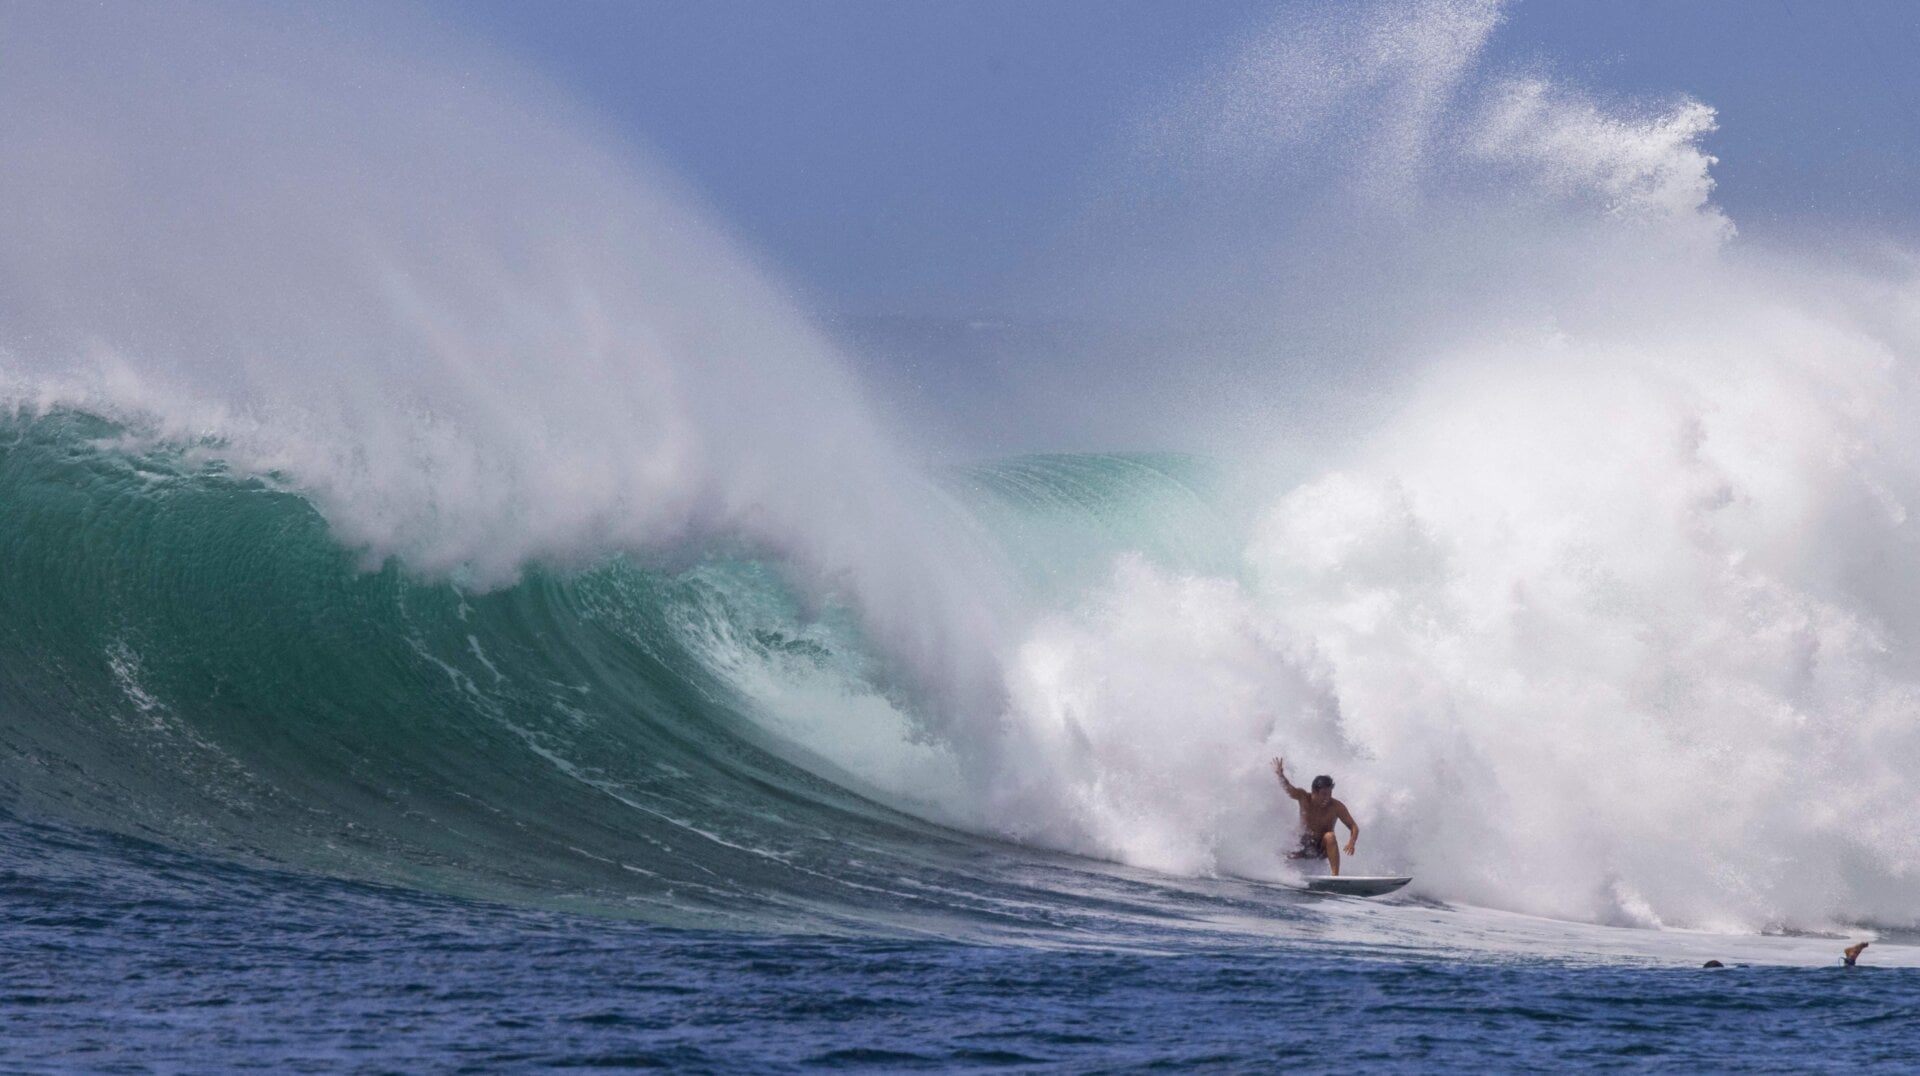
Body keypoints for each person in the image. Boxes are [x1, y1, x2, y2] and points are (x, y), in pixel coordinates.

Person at [1272, 756, 1358, 876]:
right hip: (1302, 845)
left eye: (1329, 794)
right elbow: (1289, 789)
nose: (1327, 798)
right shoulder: (1303, 797)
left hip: (1320, 849)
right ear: (1314, 791)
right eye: (1323, 794)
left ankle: (1335, 877)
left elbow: (1353, 826)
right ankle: (1277, 873)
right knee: (1287, 840)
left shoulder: (1336, 806)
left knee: (1330, 836)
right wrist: (1281, 776)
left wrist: (1351, 842)